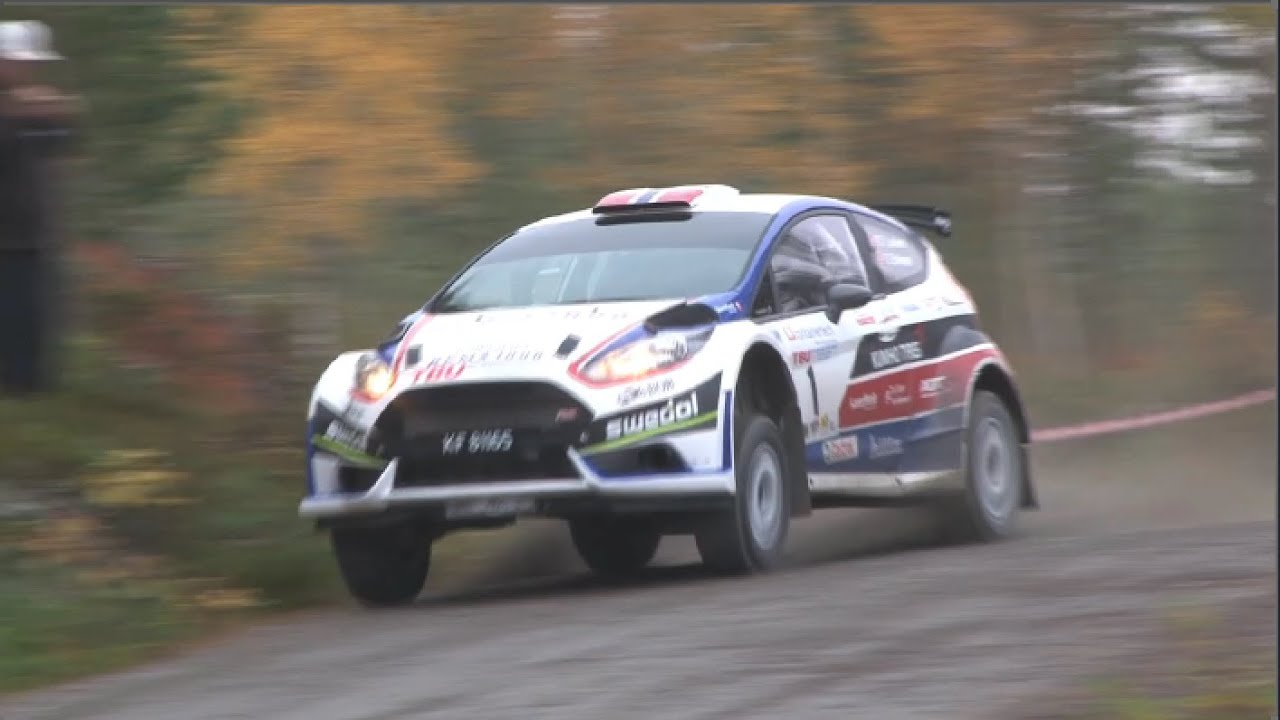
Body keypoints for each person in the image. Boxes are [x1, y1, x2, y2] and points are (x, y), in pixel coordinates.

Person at [0, 20, 79, 396]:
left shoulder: (33, 105)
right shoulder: (15, 109)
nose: (29, 69)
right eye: (20, 61)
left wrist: (58, 117)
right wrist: (15, 115)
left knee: (32, 314)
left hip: (29, 233)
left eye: (33, 62)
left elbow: (61, 144)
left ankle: (27, 387)